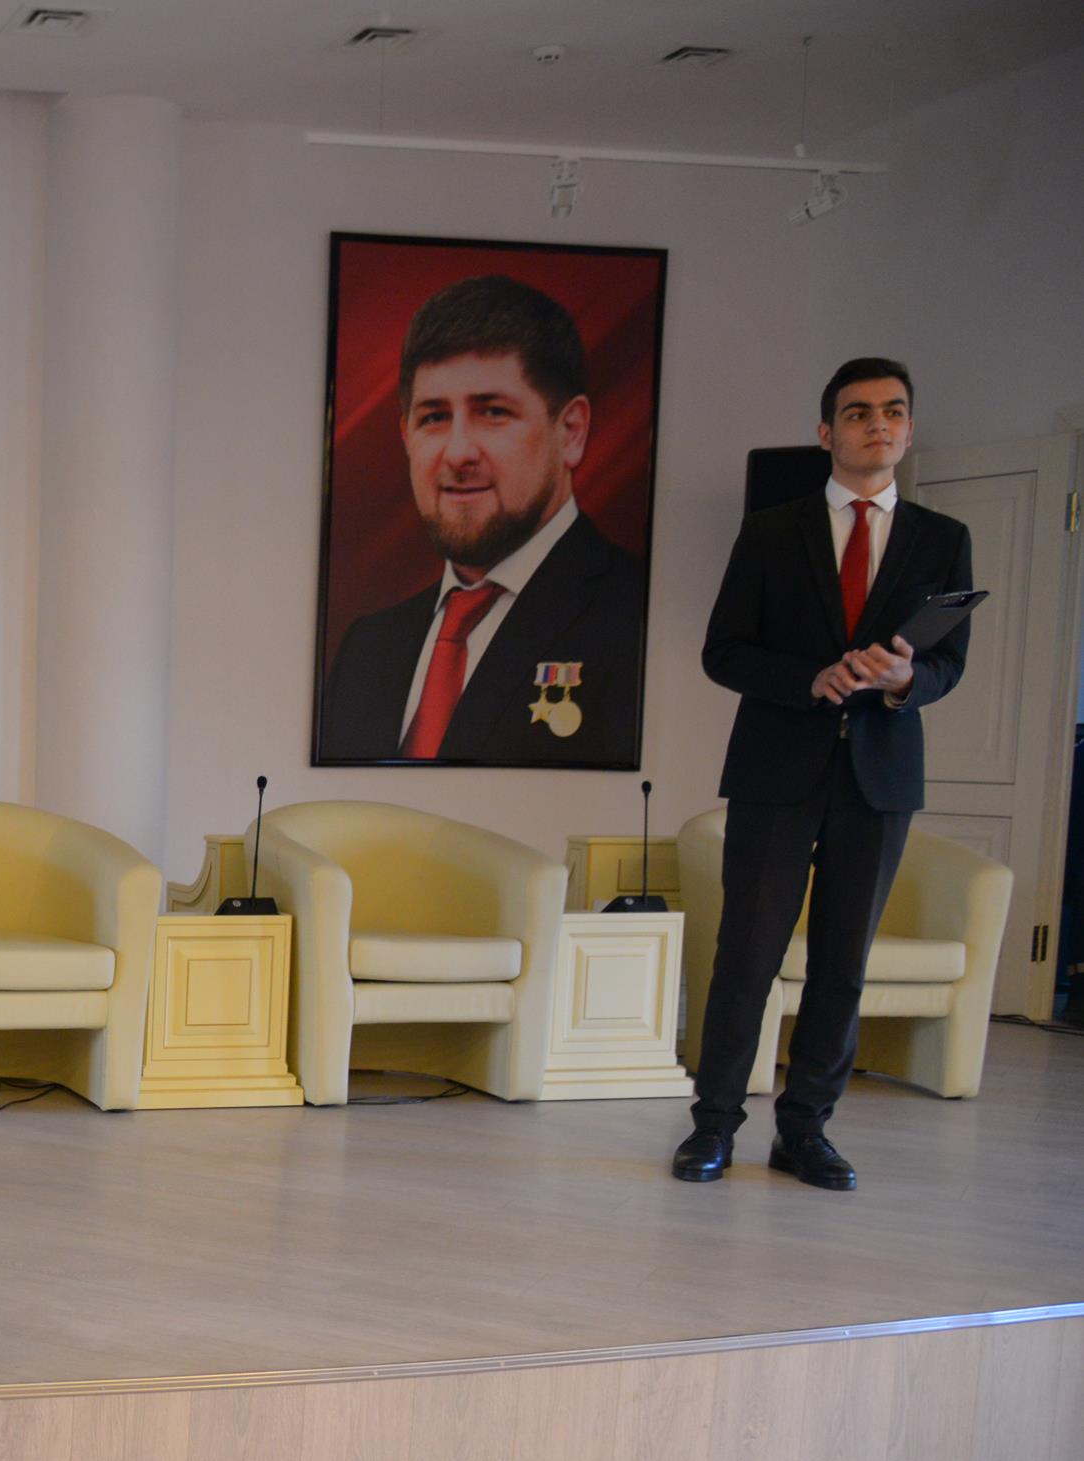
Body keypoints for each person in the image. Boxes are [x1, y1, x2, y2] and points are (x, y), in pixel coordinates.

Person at [677, 359, 973, 1193]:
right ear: (826, 432)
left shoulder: (943, 538)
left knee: (843, 964)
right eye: (858, 412)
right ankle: (713, 1126)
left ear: (909, 430)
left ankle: (804, 1131)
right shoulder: (772, 531)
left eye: (893, 411)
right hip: (776, 768)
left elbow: (949, 662)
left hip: (880, 777)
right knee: (748, 955)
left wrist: (907, 679)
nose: (878, 424)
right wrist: (809, 678)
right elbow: (723, 651)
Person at [315, 276, 649, 767]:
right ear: (406, 436)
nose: (457, 453)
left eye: (492, 412)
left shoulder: (637, 618)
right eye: (434, 417)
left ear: (571, 432)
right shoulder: (367, 649)